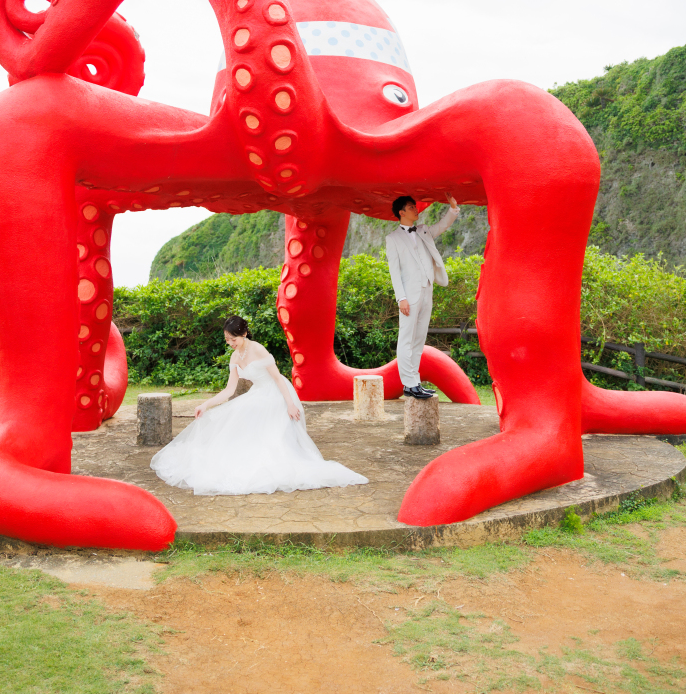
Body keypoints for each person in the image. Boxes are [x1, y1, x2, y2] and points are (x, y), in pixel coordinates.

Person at [150, 315, 368, 495]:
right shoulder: (235, 357)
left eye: (232, 339)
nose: (230, 343)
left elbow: (277, 379)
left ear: (243, 334)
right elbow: (229, 391)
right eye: (227, 340)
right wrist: (206, 404)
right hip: (258, 394)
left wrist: (290, 405)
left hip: (277, 394)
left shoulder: (259, 350)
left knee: (269, 438)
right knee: (236, 421)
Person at [386, 195, 460, 399]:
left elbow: (443, 225)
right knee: (406, 339)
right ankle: (408, 384)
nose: (416, 210)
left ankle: (415, 383)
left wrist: (453, 208)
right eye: (411, 207)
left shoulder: (424, 230)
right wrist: (401, 298)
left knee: (419, 339)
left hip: (427, 290)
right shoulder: (392, 239)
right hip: (409, 295)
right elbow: (394, 271)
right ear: (401, 212)